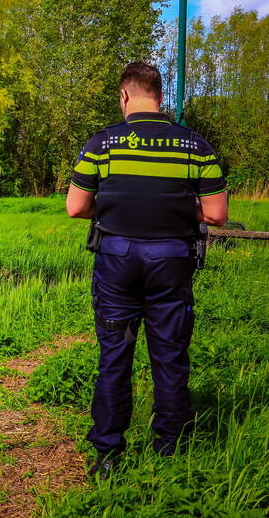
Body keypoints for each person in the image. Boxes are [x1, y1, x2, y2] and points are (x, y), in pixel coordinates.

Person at [65, 60, 228, 480]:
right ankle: (169, 451)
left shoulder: (102, 144)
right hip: (171, 263)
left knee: (115, 355)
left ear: (124, 96)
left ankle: (106, 454)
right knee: (170, 355)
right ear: (160, 97)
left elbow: (76, 207)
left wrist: (120, 205)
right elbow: (218, 214)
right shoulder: (196, 147)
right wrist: (175, 206)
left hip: (117, 263)